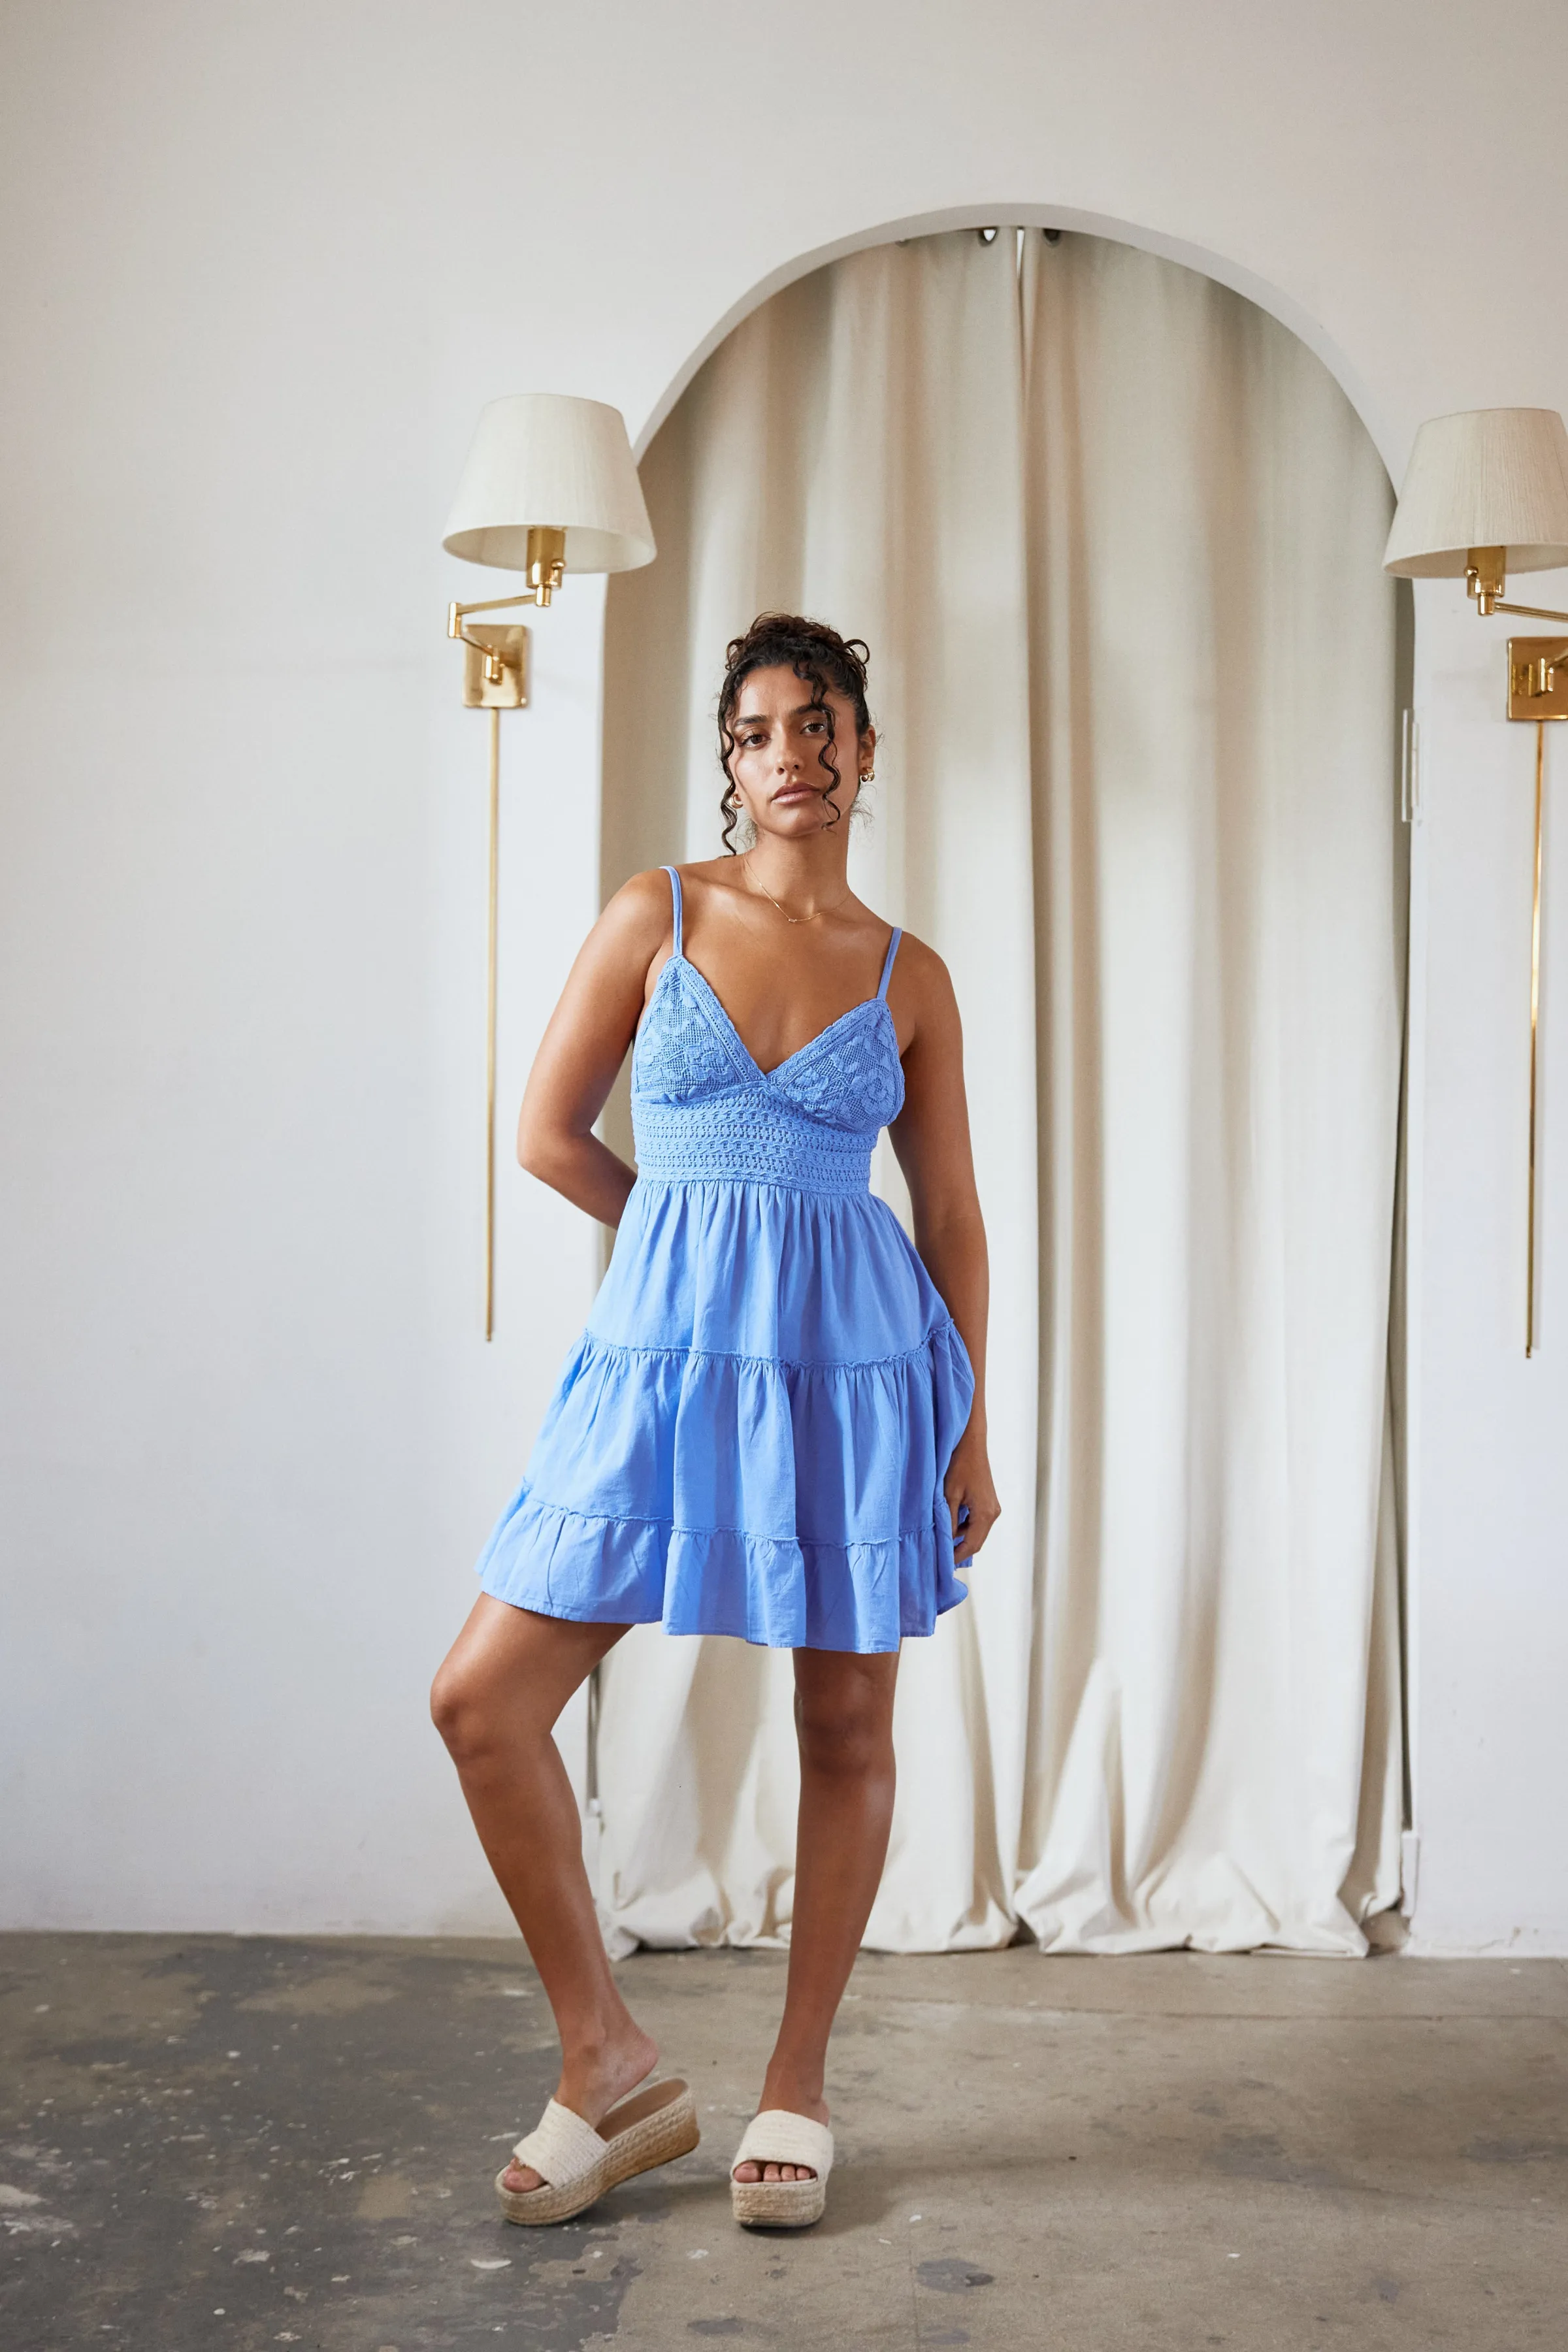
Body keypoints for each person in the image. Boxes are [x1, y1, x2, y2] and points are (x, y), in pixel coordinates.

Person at [431, 612, 999, 2232]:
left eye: (822, 724)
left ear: (866, 752)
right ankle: (605, 2057)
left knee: (846, 1727)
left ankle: (798, 2083)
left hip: (856, 1372)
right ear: (731, 767)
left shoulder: (909, 975)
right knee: (481, 1703)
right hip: (664, 1366)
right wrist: (682, 1246)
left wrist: (971, 1426)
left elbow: (953, 1213)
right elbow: (547, 1132)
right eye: (759, 732)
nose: (793, 753)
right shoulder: (656, 912)